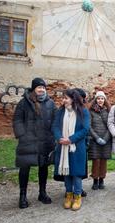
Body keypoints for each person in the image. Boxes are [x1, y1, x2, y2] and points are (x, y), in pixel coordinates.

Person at [13, 77, 56, 209]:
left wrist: (53, 135)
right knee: (24, 168)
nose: (41, 89)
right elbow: (17, 120)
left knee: (43, 167)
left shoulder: (50, 103)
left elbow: (55, 120)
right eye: (39, 87)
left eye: (43, 87)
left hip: (45, 141)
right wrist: (22, 135)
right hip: (28, 141)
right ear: (33, 89)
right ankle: (22, 195)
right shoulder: (24, 103)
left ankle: (42, 193)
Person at [52, 89, 90, 211]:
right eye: (63, 98)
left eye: (66, 98)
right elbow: (55, 126)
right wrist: (60, 138)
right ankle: (68, 196)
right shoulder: (60, 111)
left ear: (73, 99)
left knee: (76, 173)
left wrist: (71, 139)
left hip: (77, 147)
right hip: (63, 146)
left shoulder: (83, 111)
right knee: (67, 173)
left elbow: (85, 129)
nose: (63, 100)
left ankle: (77, 197)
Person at [88, 91, 112, 190]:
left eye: (102, 98)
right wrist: (96, 138)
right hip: (95, 140)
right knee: (96, 160)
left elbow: (111, 125)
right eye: (98, 98)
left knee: (103, 160)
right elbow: (89, 126)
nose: (100, 100)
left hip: (106, 140)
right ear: (95, 100)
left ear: (104, 100)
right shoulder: (91, 111)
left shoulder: (108, 111)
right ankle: (95, 180)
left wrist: (105, 138)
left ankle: (101, 180)